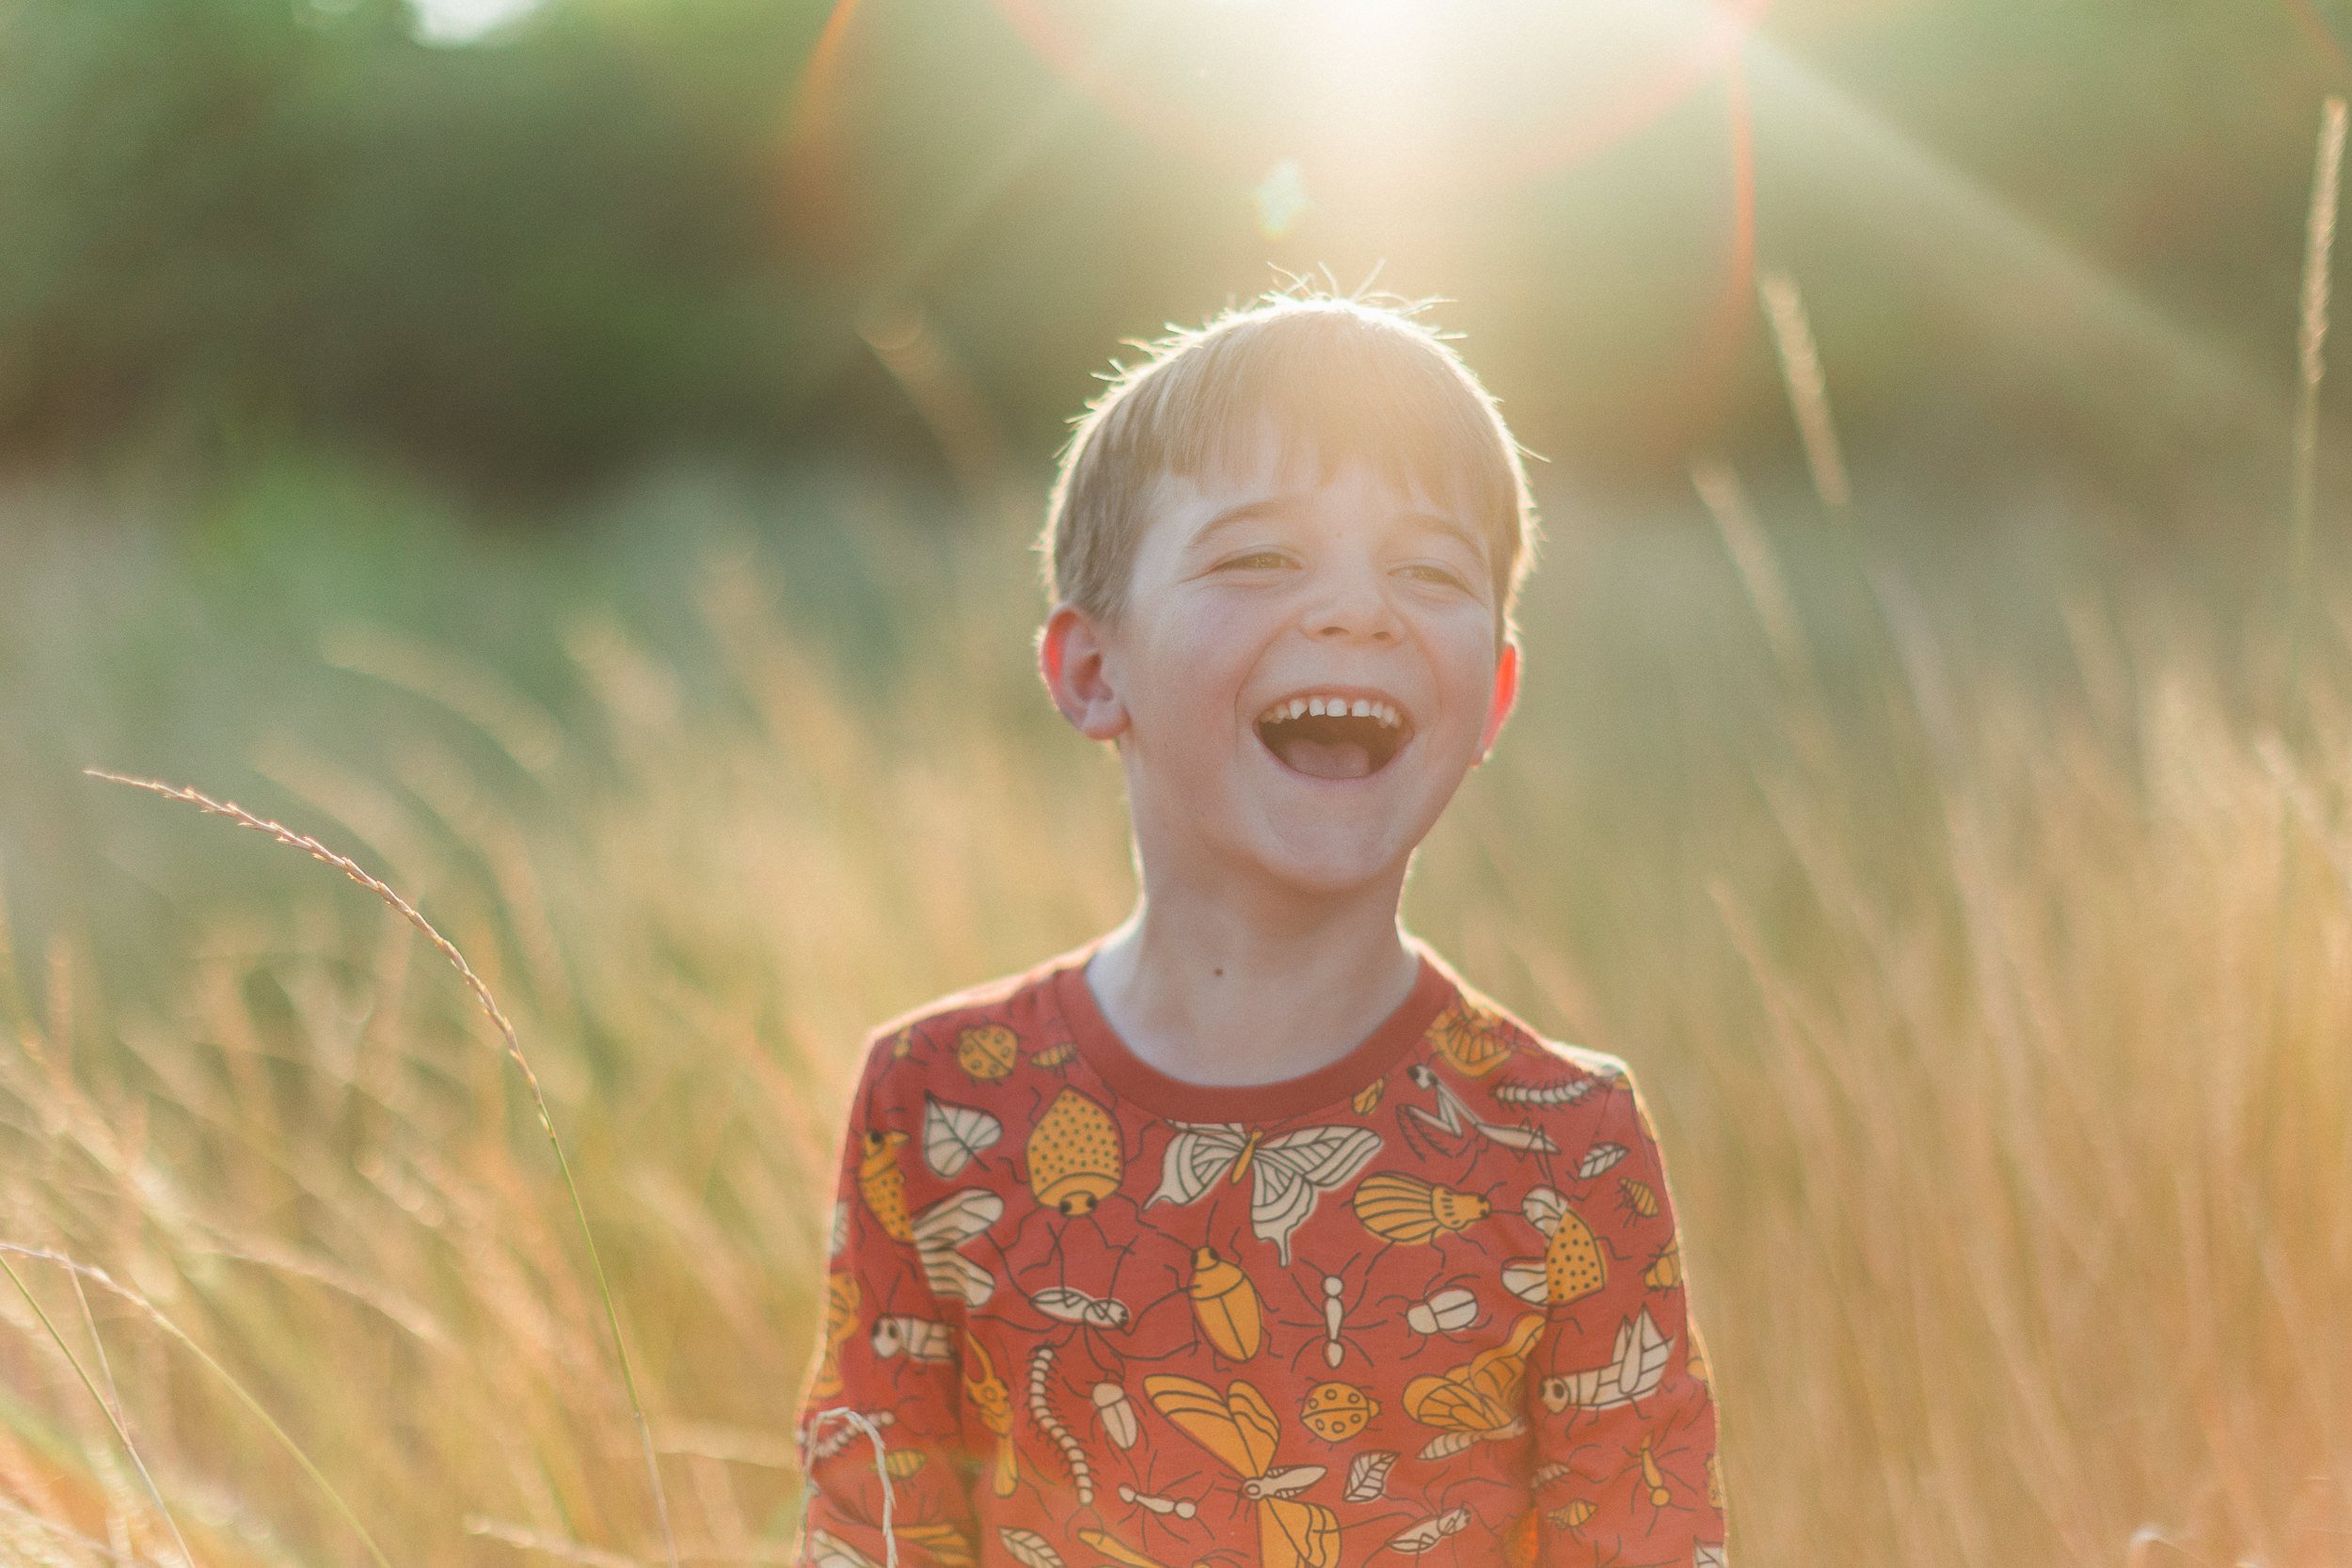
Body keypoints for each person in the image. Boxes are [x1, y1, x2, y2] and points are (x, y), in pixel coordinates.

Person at [795, 289, 1727, 1568]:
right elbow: (873, 1535)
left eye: (1428, 571)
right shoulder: (939, 1101)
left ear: (1495, 694)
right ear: (1093, 673)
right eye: (1259, 559)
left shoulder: (1566, 1144)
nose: (1359, 612)